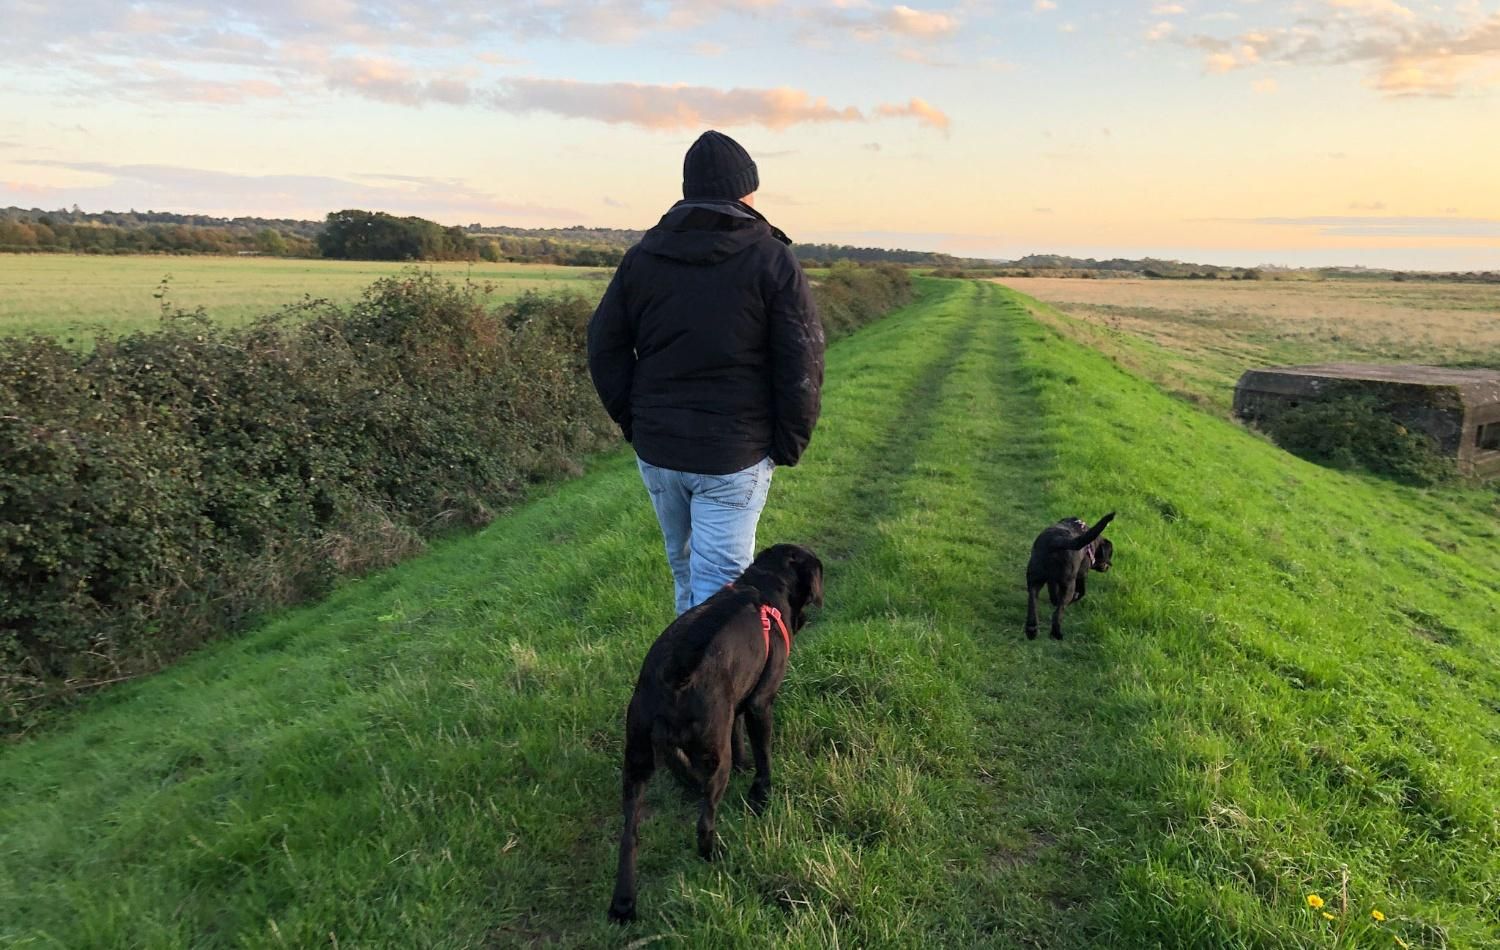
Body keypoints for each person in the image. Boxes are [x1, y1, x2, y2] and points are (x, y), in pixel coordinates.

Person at [588, 129, 824, 615]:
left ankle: (679, 679)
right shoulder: (772, 258)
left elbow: (603, 347)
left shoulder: (643, 258)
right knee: (722, 592)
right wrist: (788, 444)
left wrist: (635, 422)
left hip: (659, 449)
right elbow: (802, 361)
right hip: (734, 453)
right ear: (746, 191)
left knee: (687, 572)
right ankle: (711, 686)